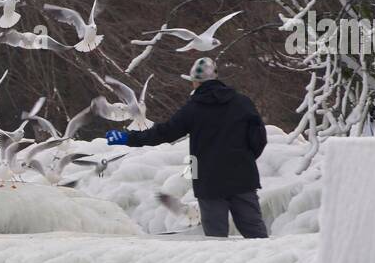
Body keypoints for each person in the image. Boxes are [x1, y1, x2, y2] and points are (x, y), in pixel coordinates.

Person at [106, 57, 268, 238]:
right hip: (243, 177)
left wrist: (128, 137)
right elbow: (259, 138)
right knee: (256, 234)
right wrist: (245, 159)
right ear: (216, 77)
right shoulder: (242, 103)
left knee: (216, 239)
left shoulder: (194, 109)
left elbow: (164, 133)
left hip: (209, 180)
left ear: (195, 82)